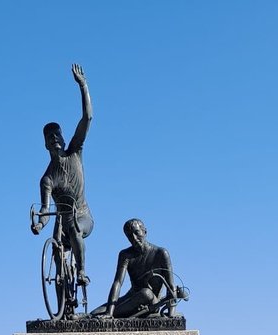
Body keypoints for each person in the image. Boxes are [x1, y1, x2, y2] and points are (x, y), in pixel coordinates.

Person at [31, 64, 94, 288]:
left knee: (75, 227)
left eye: (57, 134)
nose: (55, 139)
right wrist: (39, 225)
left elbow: (87, 118)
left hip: (83, 217)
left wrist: (83, 85)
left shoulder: (75, 152)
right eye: (50, 137)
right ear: (45, 143)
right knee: (58, 254)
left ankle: (82, 271)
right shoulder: (47, 179)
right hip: (62, 223)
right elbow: (46, 212)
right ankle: (64, 304)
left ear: (64, 138)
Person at [90, 219, 183, 318]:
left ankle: (106, 315)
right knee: (96, 313)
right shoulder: (125, 255)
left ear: (145, 232)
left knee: (146, 293)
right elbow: (117, 283)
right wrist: (109, 311)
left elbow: (171, 285)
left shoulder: (161, 253)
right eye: (130, 236)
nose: (134, 238)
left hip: (151, 300)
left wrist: (171, 313)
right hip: (132, 297)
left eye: (137, 233)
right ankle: (86, 316)